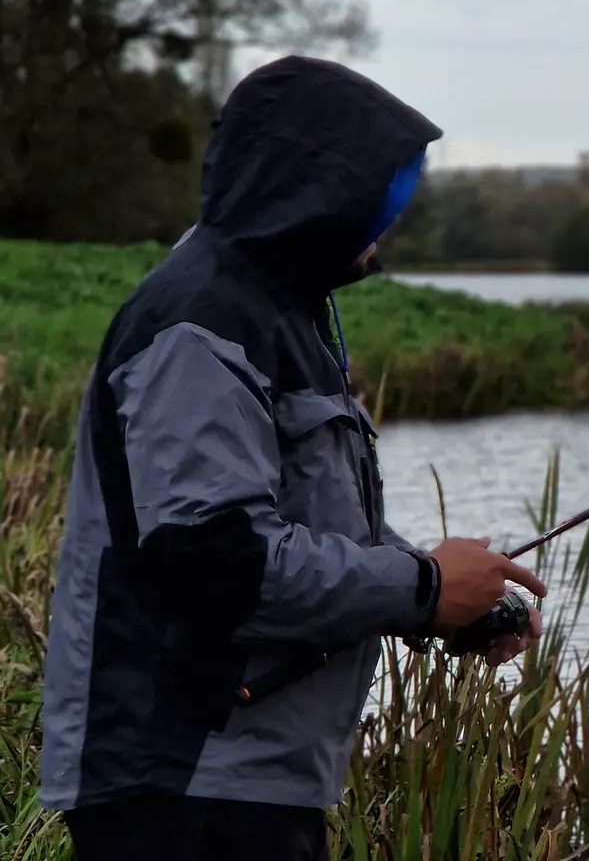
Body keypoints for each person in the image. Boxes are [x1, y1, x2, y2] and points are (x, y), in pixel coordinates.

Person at [38, 56, 546, 860]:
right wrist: (423, 588)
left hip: (244, 783)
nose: (387, 221)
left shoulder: (282, 312)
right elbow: (216, 559)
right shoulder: (199, 320)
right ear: (314, 189)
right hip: (177, 783)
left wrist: (447, 600)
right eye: (379, 192)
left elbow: (297, 524)